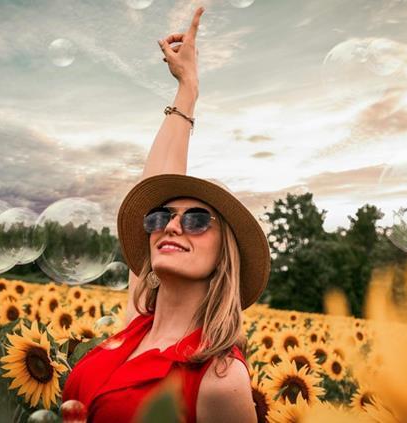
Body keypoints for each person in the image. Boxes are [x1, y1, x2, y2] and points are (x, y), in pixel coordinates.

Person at [62, 6, 270, 423]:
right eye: (160, 217)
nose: (171, 224)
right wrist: (187, 88)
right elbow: (155, 178)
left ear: (224, 253)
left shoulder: (219, 378)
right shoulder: (138, 324)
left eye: (195, 219)